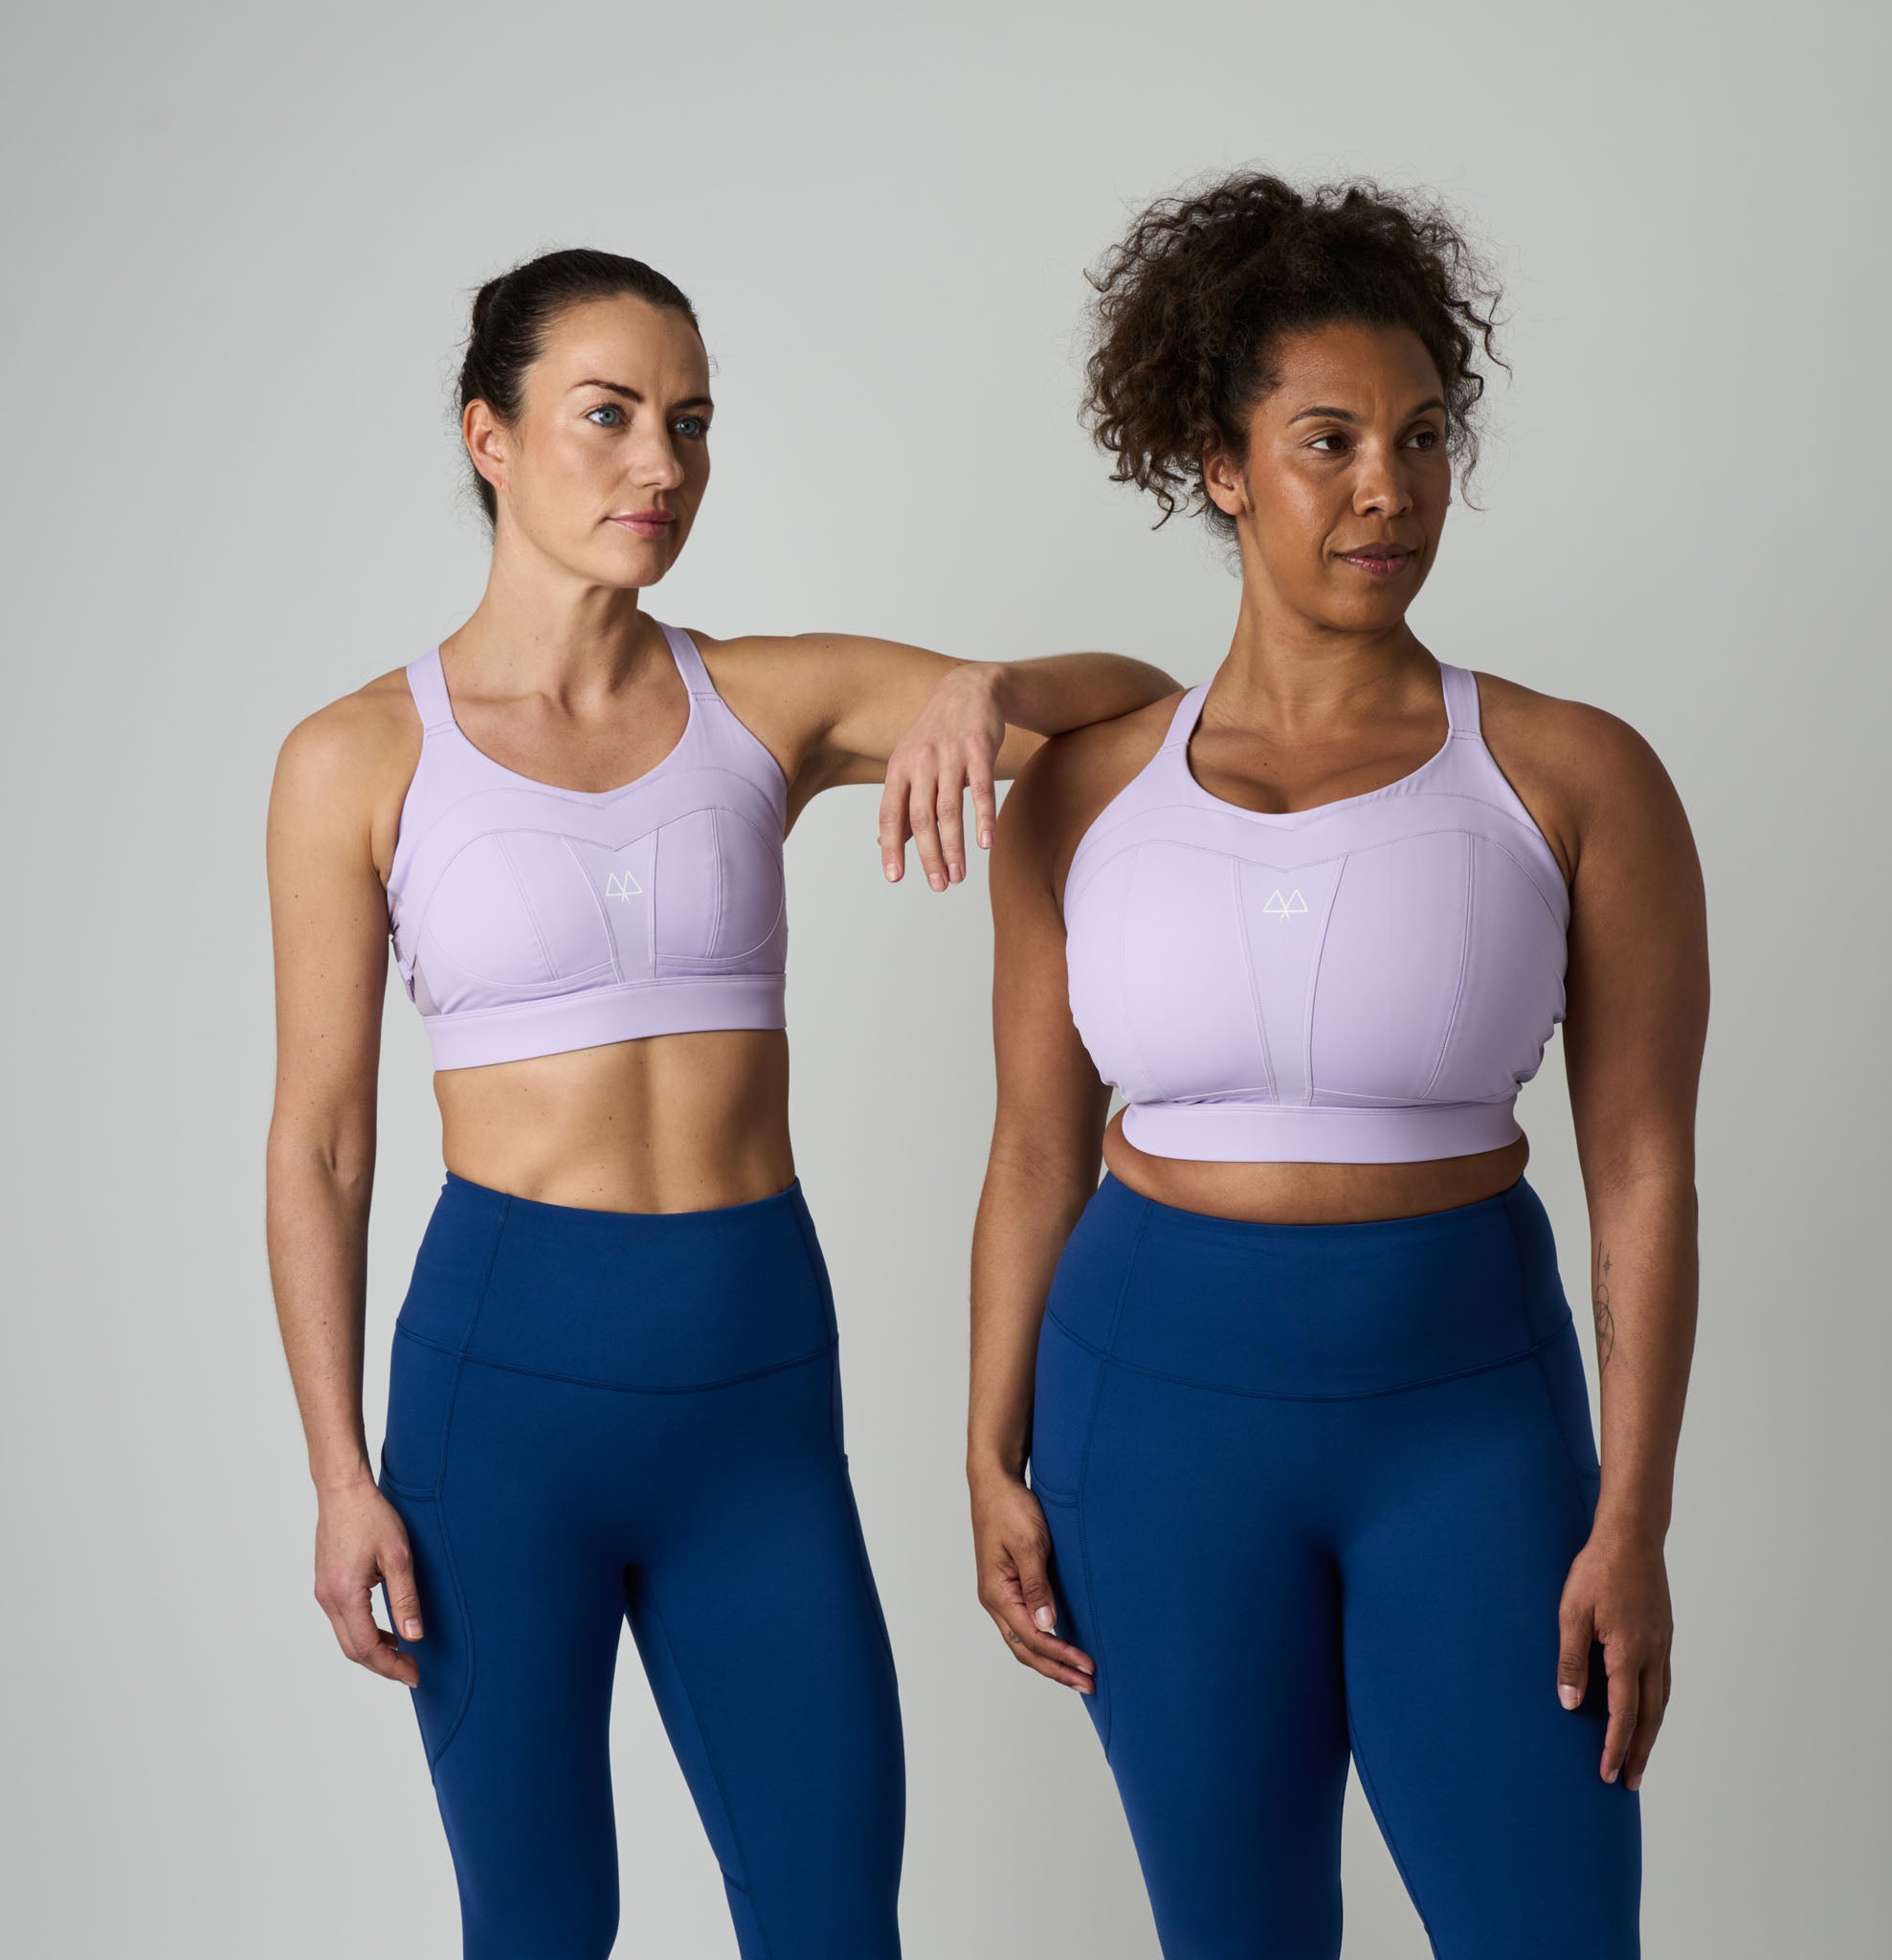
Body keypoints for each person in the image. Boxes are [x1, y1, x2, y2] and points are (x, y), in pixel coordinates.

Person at [264, 246, 1176, 1960]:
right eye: (605, 417)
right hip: (496, 1404)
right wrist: (334, 1470)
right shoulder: (356, 759)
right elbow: (321, 1142)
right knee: (538, 1927)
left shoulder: (761, 700)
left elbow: (1143, 706)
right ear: (490, 436)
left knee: (833, 1918)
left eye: (688, 422)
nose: (660, 465)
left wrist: (995, 690)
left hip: (754, 1393)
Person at [968, 172, 1705, 1958]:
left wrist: (1634, 1519)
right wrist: (984, 1449)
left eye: (1426, 436)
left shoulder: (1573, 774)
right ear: (1219, 467)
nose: (1392, 487)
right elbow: (1034, 1153)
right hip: (1144, 1420)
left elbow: (1646, 1177)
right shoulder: (1079, 792)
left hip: (1468, 1419)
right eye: (1329, 440)